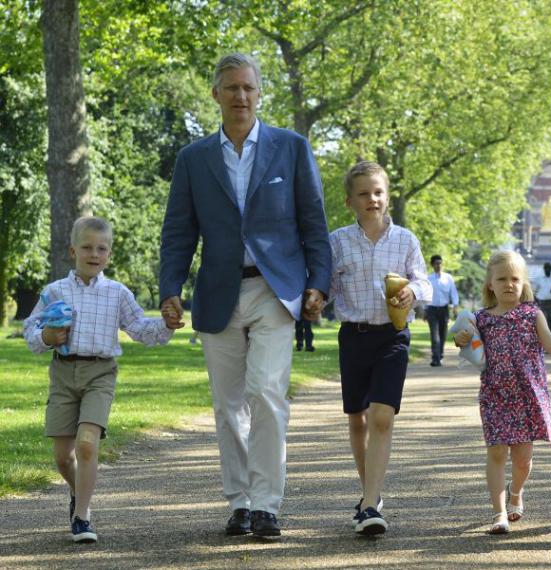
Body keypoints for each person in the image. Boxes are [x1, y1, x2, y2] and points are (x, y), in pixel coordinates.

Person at [159, 53, 331, 538]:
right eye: (231, 88)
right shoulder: (194, 158)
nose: (241, 97)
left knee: (266, 393)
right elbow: (178, 232)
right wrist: (169, 288)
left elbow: (313, 223)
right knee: (227, 403)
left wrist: (318, 282)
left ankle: (267, 505)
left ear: (259, 93)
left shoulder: (291, 148)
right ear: (215, 94)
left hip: (275, 290)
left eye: (249, 88)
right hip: (218, 291)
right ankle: (239, 501)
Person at [24, 216, 175, 543]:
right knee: (63, 458)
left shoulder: (117, 293)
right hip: (63, 374)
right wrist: (47, 336)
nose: (94, 254)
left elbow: (140, 329)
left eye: (101, 248)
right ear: (73, 250)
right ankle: (79, 493)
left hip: (100, 372)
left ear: (109, 253)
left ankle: (82, 518)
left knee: (88, 444)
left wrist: (167, 325)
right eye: (87, 247)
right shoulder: (54, 291)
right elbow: (31, 332)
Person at [328, 161, 432, 535]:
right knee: (357, 419)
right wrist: (313, 299)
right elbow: (327, 289)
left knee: (382, 417)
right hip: (353, 336)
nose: (372, 199)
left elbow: (425, 282)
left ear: (386, 196)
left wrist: (413, 291)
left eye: (378, 192)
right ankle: (368, 493)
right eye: (363, 194)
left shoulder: (405, 240)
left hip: (392, 336)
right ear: (349, 201)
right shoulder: (336, 241)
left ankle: (370, 504)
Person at [454, 251, 551, 534]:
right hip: (495, 395)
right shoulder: (480, 319)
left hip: (527, 396)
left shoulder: (532, 315)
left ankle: (516, 491)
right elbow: (468, 345)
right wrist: (460, 338)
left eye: (515, 279)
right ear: (490, 284)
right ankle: (499, 513)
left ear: (524, 283)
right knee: (497, 452)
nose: (509, 284)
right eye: (502, 279)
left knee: (522, 460)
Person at [426, 254, 459, 367]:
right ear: (432, 265)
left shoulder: (448, 278)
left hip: (444, 309)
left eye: (440, 263)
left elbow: (453, 292)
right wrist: (424, 310)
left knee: (442, 334)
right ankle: (435, 358)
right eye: (436, 263)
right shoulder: (428, 279)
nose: (438, 265)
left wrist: (455, 306)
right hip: (432, 310)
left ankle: (440, 355)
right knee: (435, 335)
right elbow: (425, 296)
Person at [533, 262, 551, 334]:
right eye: (546, 268)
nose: (548, 270)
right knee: (544, 325)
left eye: (549, 268)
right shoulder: (539, 279)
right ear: (544, 269)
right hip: (543, 304)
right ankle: (545, 343)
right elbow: (534, 291)